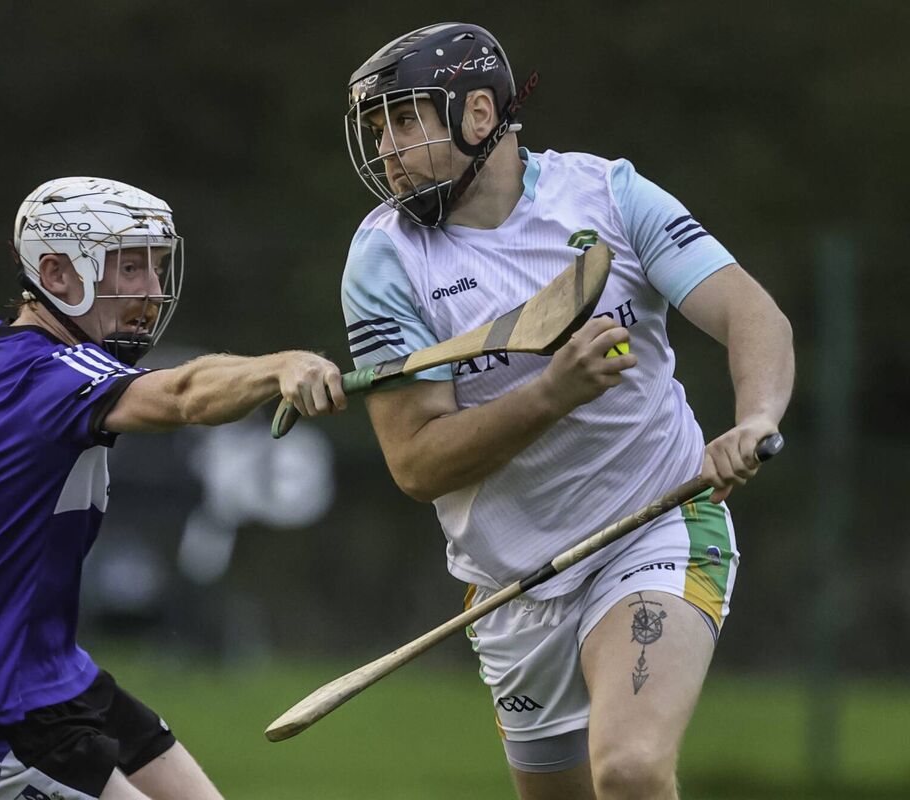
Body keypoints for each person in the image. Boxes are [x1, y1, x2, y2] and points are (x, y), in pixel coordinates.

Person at [0, 176, 345, 800]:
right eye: (129, 267)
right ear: (56, 273)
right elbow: (183, 396)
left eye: (157, 267)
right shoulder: (51, 377)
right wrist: (282, 366)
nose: (151, 291)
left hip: (56, 680)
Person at [338, 23, 793, 800]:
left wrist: (755, 419)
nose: (386, 149)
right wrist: (551, 394)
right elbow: (416, 464)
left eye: (405, 121)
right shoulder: (386, 259)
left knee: (632, 769)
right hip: (512, 584)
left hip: (655, 523)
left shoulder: (607, 195)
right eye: (377, 130)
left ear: (479, 113)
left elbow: (753, 315)